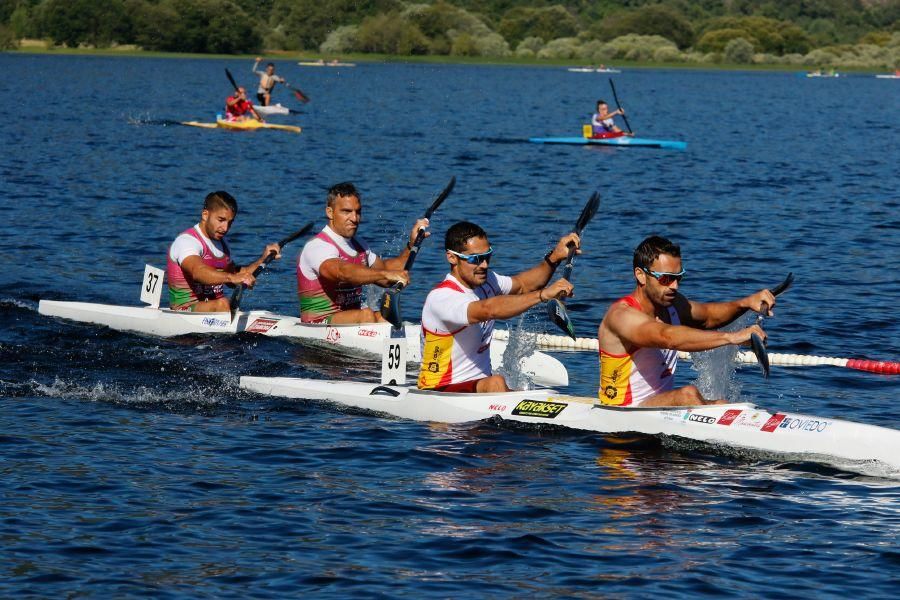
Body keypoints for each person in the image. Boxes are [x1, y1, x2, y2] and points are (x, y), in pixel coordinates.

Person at [597, 235, 775, 408]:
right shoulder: (622, 316)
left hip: (656, 407)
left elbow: (708, 316)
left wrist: (745, 303)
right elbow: (667, 337)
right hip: (621, 412)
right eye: (665, 278)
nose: (674, 286)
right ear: (641, 275)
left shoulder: (672, 304)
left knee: (722, 404)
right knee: (688, 394)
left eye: (678, 278)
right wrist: (733, 337)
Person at [417, 221, 578, 393]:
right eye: (476, 259)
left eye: (487, 256)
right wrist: (543, 295)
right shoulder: (442, 298)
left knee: (497, 384)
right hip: (439, 390)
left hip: (478, 388)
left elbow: (524, 284)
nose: (484, 265)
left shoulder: (488, 281)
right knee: (496, 383)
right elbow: (488, 309)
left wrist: (555, 257)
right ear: (452, 257)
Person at [297, 182, 429, 324]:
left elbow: (387, 275)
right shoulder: (318, 246)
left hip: (352, 319)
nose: (354, 218)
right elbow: (342, 272)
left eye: (358, 212)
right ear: (330, 212)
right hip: (318, 322)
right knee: (366, 315)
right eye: (346, 211)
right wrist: (385, 274)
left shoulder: (360, 246)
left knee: (387, 318)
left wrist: (412, 244)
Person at [167, 191, 281, 313]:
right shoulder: (186, 241)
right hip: (184, 309)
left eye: (230, 222)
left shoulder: (222, 244)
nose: (225, 228)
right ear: (205, 215)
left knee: (228, 305)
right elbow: (198, 272)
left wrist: (264, 258)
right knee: (224, 303)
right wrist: (231, 278)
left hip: (217, 308)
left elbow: (235, 277)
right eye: (221, 220)